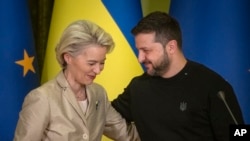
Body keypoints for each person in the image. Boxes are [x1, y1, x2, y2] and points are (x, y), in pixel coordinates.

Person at [111, 11, 244, 141]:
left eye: (146, 50)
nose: (140, 58)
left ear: (171, 47)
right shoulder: (137, 87)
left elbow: (240, 134)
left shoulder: (214, 87)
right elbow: (106, 115)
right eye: (138, 51)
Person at [14, 20, 139, 141]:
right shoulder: (42, 98)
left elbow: (126, 134)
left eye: (102, 63)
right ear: (68, 57)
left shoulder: (99, 94)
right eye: (91, 63)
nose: (98, 70)